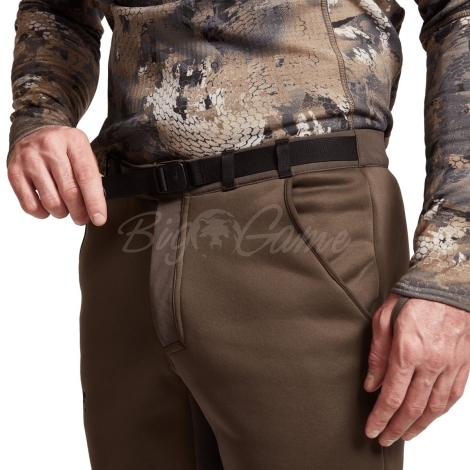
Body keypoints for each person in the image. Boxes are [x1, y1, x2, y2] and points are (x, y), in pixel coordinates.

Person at [6, 0, 470, 468]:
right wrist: (39, 114)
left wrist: (451, 271)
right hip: (126, 225)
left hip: (302, 218)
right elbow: (58, 9)